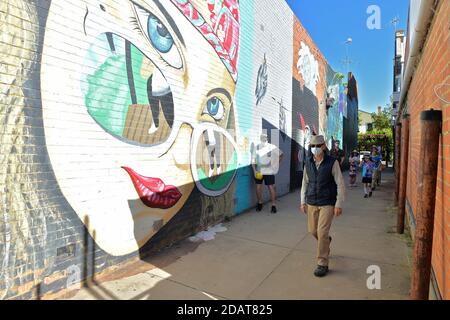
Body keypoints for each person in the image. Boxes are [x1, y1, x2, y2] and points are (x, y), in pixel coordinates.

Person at [300, 135, 346, 277]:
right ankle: (326, 241)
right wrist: (302, 201)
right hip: (312, 201)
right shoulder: (308, 162)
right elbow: (304, 183)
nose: (315, 149)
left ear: (324, 146)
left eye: (318, 146)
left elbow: (340, 184)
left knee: (322, 232)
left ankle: (322, 263)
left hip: (327, 202)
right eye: (312, 146)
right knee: (313, 231)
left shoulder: (332, 162)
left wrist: (338, 204)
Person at [252, 133, 284, 214]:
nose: (263, 139)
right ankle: (260, 203)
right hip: (259, 171)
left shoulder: (272, 147)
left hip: (269, 171)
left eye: (265, 138)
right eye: (262, 138)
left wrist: (275, 164)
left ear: (267, 139)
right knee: (258, 187)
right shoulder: (256, 147)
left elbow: (281, 155)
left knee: (271, 187)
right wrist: (254, 171)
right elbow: (253, 160)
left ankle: (273, 205)